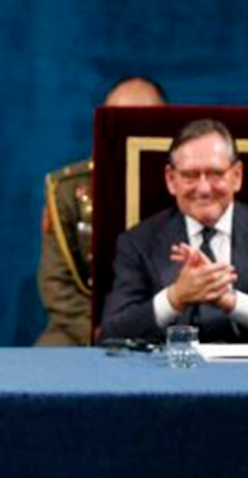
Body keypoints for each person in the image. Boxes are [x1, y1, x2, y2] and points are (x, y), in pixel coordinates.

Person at [36, 76, 167, 345]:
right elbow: (56, 285)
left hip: (168, 323)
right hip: (85, 328)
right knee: (43, 362)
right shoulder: (68, 190)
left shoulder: (189, 185)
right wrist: (103, 332)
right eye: (116, 122)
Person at [101, 118, 248, 342]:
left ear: (237, 176)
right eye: (190, 175)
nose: (204, 188)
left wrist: (230, 300)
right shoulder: (138, 242)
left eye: (216, 174)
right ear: (171, 179)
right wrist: (175, 297)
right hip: (168, 372)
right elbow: (113, 333)